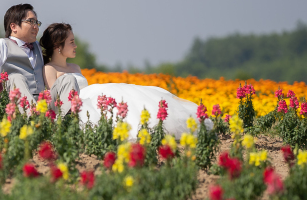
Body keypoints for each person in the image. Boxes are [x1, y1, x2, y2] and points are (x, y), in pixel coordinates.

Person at [40, 22, 209, 138]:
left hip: (88, 97)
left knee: (131, 94)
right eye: (71, 42)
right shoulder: (50, 69)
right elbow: (56, 98)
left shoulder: (75, 68)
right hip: (73, 107)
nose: (75, 46)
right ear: (58, 47)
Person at [0, 4, 46, 125]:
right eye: (31, 22)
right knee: (15, 77)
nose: (36, 27)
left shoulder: (38, 48)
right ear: (13, 26)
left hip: (42, 106)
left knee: (68, 79)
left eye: (37, 22)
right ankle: (36, 122)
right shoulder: (0, 46)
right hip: (12, 112)